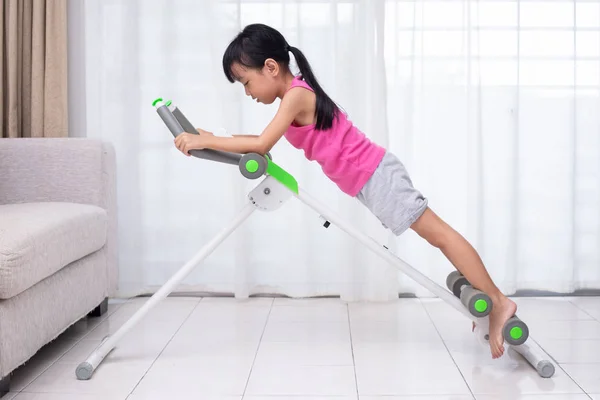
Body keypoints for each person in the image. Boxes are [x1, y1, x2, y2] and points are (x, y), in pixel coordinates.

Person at [174, 23, 517, 359]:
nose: (247, 92)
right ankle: (494, 303)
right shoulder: (293, 95)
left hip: (377, 177)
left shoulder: (295, 95)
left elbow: (262, 144)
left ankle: (499, 303)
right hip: (371, 179)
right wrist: (206, 136)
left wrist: (207, 140)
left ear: (270, 67)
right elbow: (258, 142)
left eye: (246, 82)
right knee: (436, 235)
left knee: (439, 235)